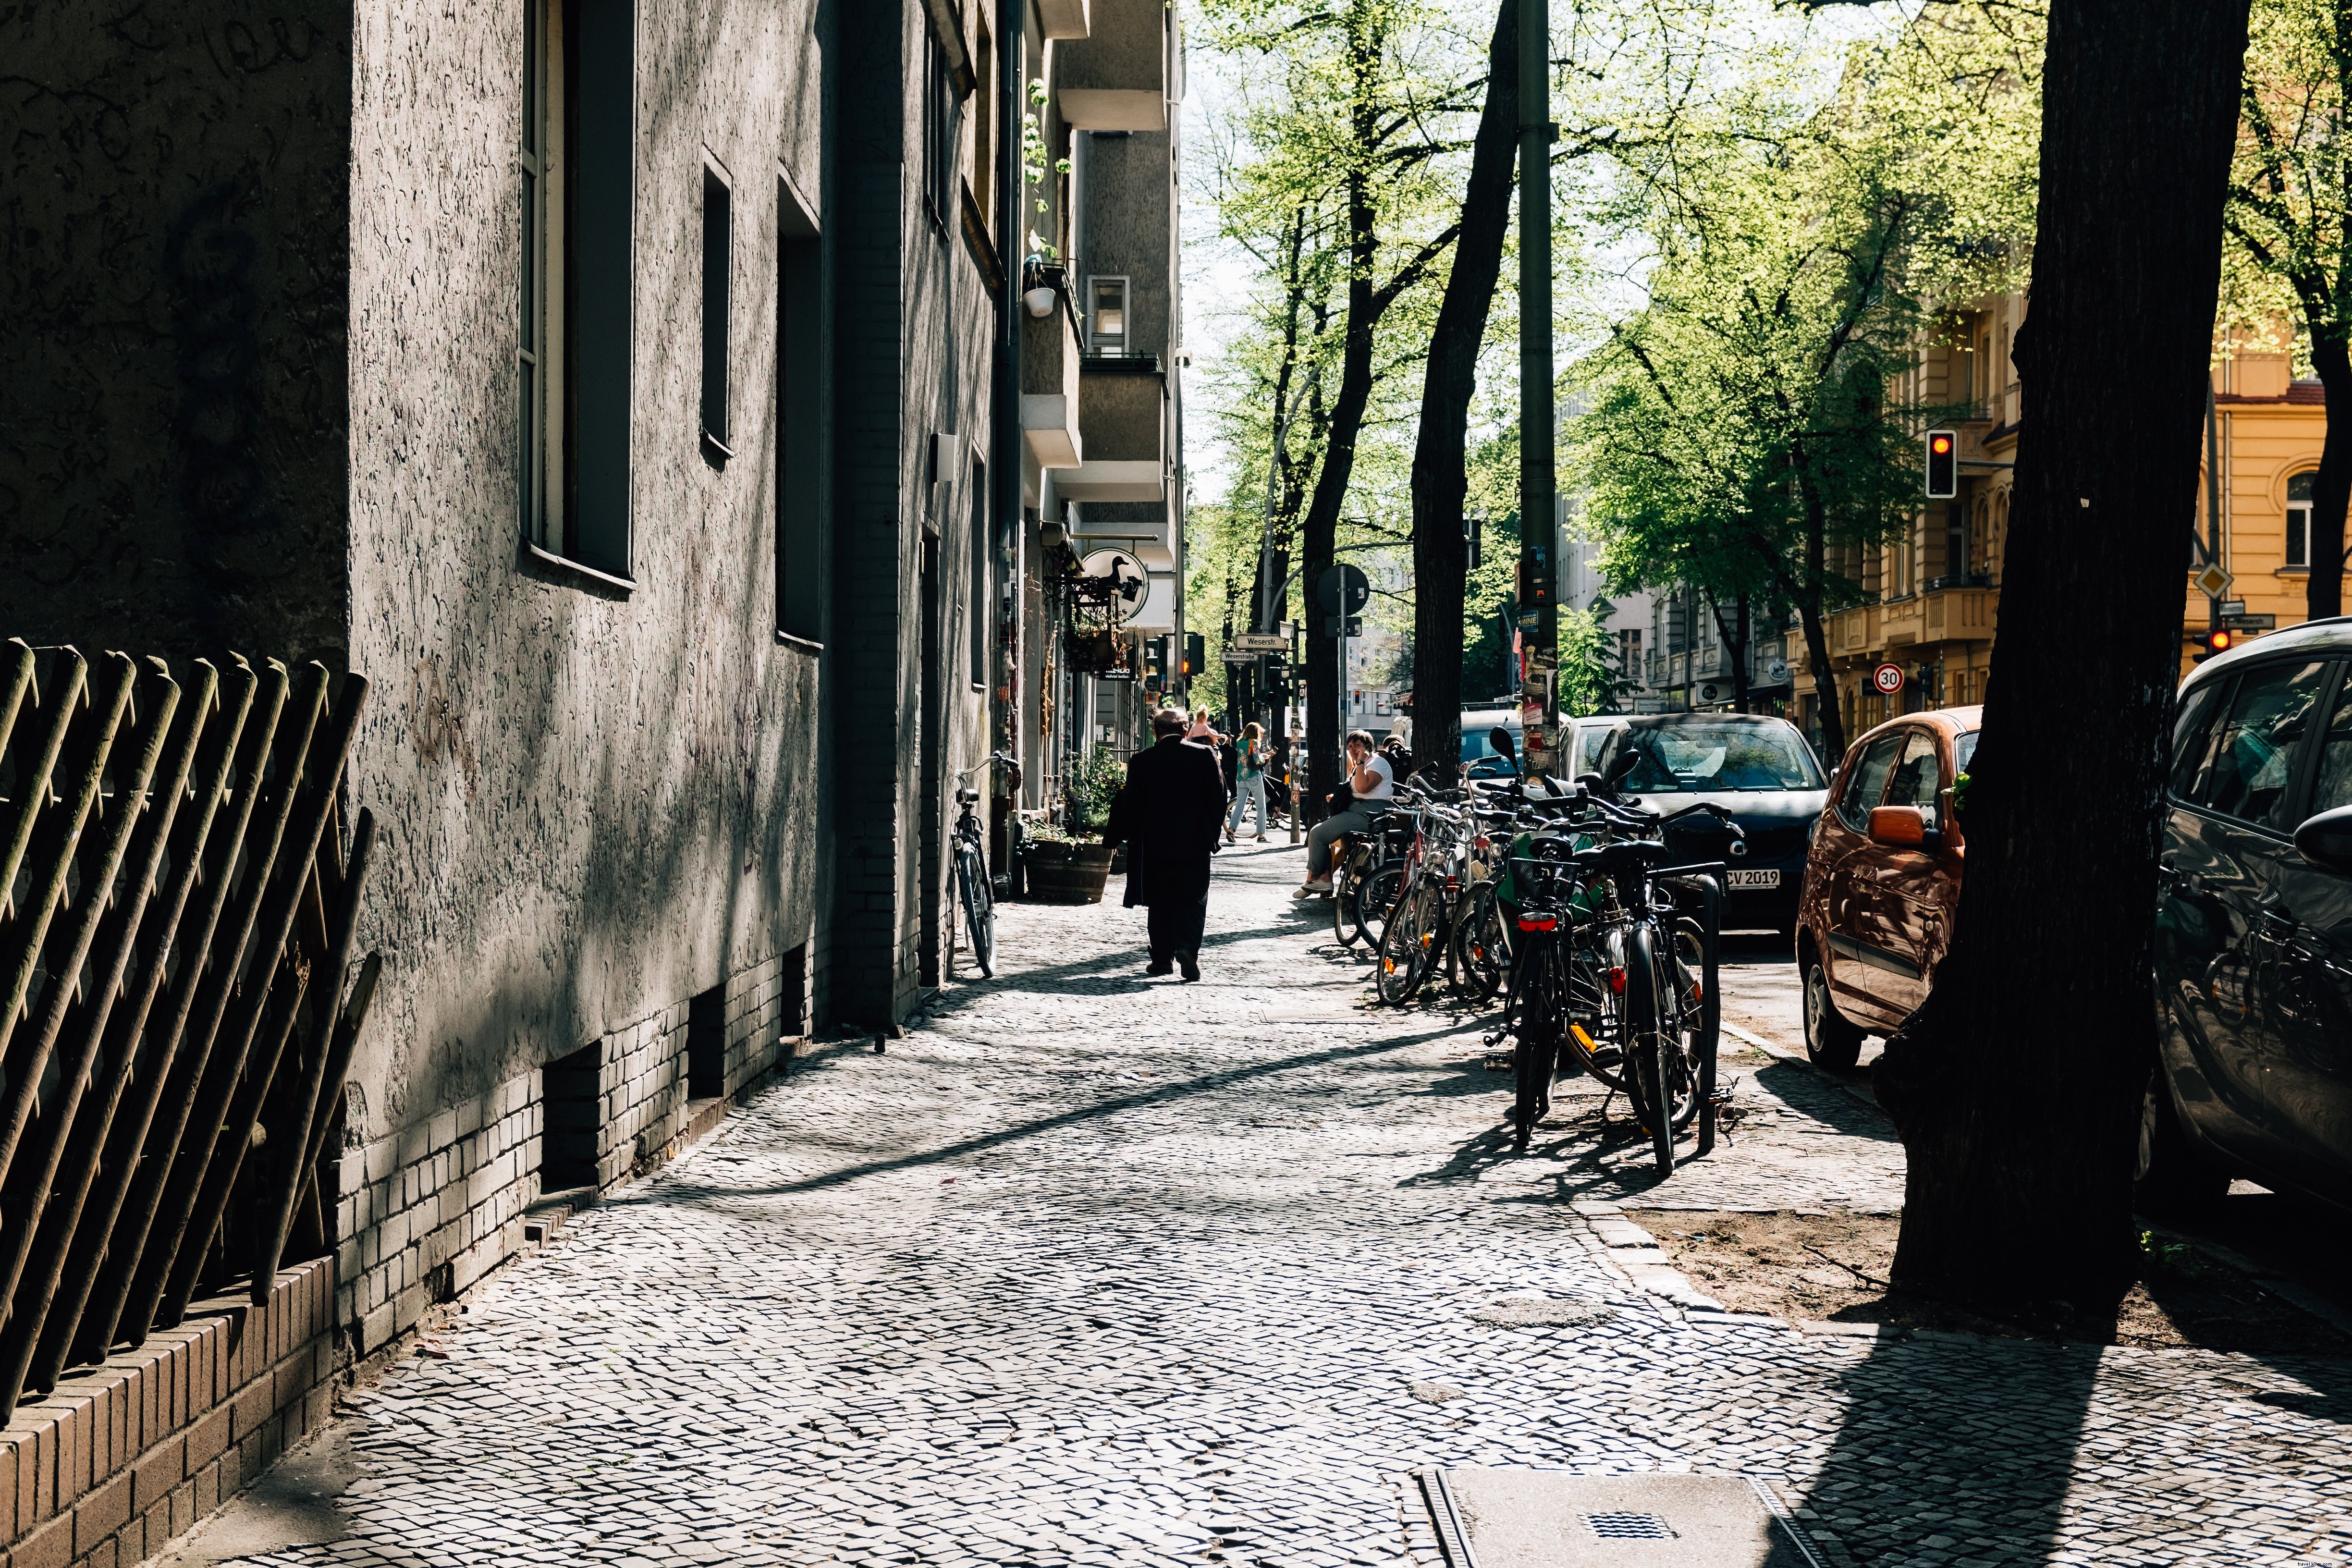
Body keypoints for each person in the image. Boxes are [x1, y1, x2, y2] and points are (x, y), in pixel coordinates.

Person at [1102, 707, 1228, 979]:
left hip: (1154, 844)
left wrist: (1129, 837)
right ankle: (1187, 949)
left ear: (1155, 732)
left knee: (1159, 900)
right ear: (1186, 731)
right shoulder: (1204, 755)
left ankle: (1161, 958)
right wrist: (1210, 836)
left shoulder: (1142, 760)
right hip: (1194, 842)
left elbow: (1131, 803)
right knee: (1194, 898)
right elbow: (1219, 797)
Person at [1295, 730, 1393, 898]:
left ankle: (1314, 879)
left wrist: (1361, 762)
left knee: (1318, 834)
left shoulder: (1378, 763)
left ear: (1368, 747)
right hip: (1358, 811)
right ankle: (1322, 879)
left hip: (1369, 814)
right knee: (1328, 836)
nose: (1353, 750)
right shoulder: (1362, 765)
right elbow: (1356, 789)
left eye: (1358, 746)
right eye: (1350, 746)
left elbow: (1363, 788)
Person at [1227, 722, 1271, 843]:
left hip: (1241, 778)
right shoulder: (1254, 742)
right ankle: (1261, 836)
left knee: (1239, 806)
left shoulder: (1239, 742)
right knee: (1261, 807)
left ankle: (1231, 830)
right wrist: (1266, 757)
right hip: (1253, 778)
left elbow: (1246, 756)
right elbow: (1258, 760)